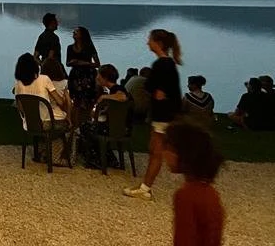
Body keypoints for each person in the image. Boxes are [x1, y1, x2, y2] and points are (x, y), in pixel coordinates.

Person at [124, 29, 182, 201]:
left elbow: (158, 91)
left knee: (158, 150)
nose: (147, 42)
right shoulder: (168, 64)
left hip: (162, 114)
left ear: (159, 43)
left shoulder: (161, 65)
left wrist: (156, 94)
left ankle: (145, 188)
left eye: (150, 39)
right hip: (166, 112)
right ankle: (145, 186)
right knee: (157, 149)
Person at [164, 122, 224, 246]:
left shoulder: (186, 195)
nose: (165, 153)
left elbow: (185, 239)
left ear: (184, 155)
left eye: (170, 149)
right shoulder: (211, 192)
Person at [13, 53, 70, 165]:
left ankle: (43, 153)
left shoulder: (18, 85)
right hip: (48, 122)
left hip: (30, 124)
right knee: (68, 125)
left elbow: (20, 107)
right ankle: (60, 156)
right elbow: (60, 101)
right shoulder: (44, 79)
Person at [78, 64, 131, 169]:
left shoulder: (117, 89)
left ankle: (96, 159)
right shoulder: (113, 90)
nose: (97, 77)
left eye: (99, 75)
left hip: (115, 128)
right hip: (120, 127)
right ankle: (108, 158)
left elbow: (123, 97)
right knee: (93, 127)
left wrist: (104, 97)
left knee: (86, 127)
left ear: (105, 78)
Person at [66, 26, 100, 123]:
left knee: (88, 101)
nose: (74, 33)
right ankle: (76, 123)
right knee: (76, 102)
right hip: (75, 77)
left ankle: (86, 122)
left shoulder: (89, 47)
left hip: (88, 76)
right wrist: (75, 62)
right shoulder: (70, 48)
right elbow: (68, 63)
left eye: (76, 32)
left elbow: (97, 64)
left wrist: (83, 63)